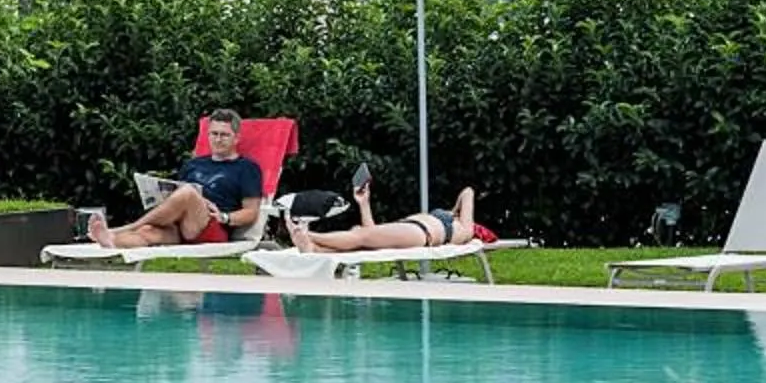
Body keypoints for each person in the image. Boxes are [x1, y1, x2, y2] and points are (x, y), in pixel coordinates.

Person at [83, 108, 269, 248]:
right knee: (147, 233)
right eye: (214, 134)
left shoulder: (247, 168)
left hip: (210, 227)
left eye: (224, 135)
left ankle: (124, 228)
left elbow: (251, 212)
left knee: (188, 192)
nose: (218, 139)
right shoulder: (194, 164)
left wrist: (224, 217)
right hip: (180, 227)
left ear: (236, 138)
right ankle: (112, 240)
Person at [290, 171, 477, 253]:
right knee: (364, 238)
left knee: (360, 235)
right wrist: (364, 203)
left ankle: (309, 235)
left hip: (422, 233)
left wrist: (454, 213)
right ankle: (314, 249)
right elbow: (372, 231)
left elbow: (468, 192)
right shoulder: (453, 221)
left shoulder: (465, 229)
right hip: (411, 229)